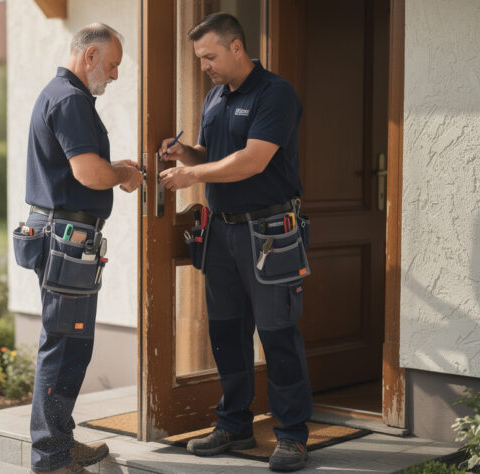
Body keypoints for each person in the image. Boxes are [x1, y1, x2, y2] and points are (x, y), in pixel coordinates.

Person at [158, 12, 312, 472]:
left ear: (237, 47)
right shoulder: (214, 97)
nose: (204, 65)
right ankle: (234, 424)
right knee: (226, 332)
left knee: (278, 333)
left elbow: (253, 160)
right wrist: (187, 154)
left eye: (210, 56)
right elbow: (215, 155)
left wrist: (190, 175)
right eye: (200, 58)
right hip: (220, 231)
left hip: (269, 233)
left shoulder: (275, 93)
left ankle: (291, 435)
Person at [14, 23, 143, 474]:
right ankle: (52, 455)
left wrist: (115, 166)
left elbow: (80, 169)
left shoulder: (63, 94)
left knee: (71, 344)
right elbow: (88, 174)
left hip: (61, 237)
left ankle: (59, 443)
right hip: (65, 239)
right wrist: (124, 176)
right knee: (65, 346)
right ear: (89, 56)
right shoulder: (70, 99)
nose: (114, 75)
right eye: (111, 65)